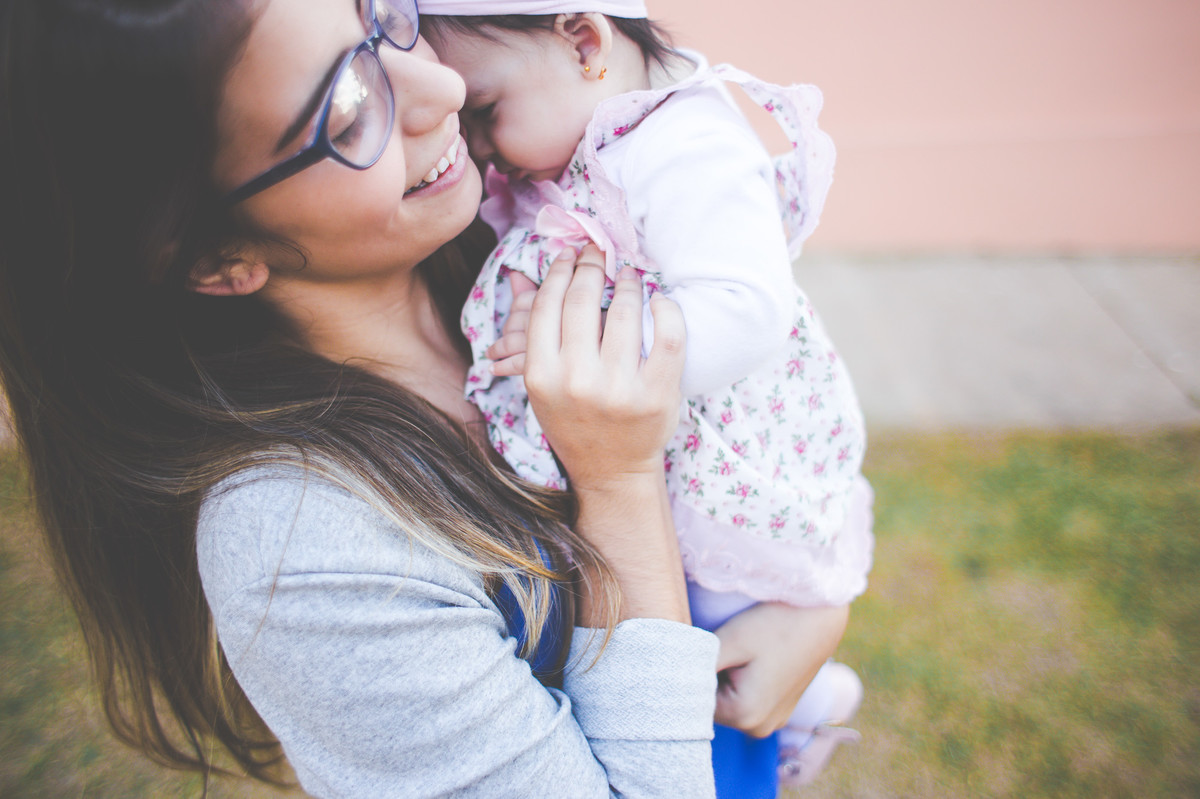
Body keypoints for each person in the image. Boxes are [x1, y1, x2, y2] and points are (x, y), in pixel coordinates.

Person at [0, 0, 849, 796]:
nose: (442, 86)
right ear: (216, 257)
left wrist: (812, 607)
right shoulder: (302, 548)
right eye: (347, 114)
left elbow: (771, 403)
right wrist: (618, 481)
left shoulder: (518, 233)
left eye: (381, 17)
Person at [419, 0, 875, 785]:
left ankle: (802, 709)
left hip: (725, 454)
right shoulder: (580, 141)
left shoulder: (683, 142)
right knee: (679, 613)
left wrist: (593, 347)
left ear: (584, 42)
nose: (480, 148)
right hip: (662, 451)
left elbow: (747, 309)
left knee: (720, 612)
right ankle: (796, 710)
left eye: (485, 112)